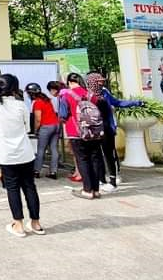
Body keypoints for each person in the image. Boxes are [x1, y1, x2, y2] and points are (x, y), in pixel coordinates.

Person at [0, 74, 44, 237]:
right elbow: (27, 128)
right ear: (15, 88)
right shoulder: (21, 105)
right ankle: (36, 223)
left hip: (6, 154)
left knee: (12, 188)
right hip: (24, 152)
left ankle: (18, 225)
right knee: (29, 186)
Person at [85, 72, 143, 193]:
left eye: (102, 81)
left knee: (109, 155)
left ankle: (112, 181)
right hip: (94, 130)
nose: (102, 83)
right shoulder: (87, 95)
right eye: (99, 81)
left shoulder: (104, 93)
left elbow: (117, 103)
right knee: (97, 156)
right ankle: (101, 180)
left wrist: (136, 103)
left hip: (107, 129)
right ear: (92, 82)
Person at [58, 72, 107, 200]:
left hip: (76, 133)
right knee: (95, 159)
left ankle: (87, 190)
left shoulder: (66, 95)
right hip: (94, 132)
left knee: (83, 160)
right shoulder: (91, 94)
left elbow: (63, 115)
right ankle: (96, 190)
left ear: (69, 82)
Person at [27, 82, 61, 179]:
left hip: (46, 127)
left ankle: (36, 171)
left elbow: (38, 119)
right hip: (56, 125)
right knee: (54, 149)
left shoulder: (37, 102)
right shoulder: (46, 99)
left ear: (31, 93)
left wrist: (35, 130)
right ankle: (53, 172)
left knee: (41, 149)